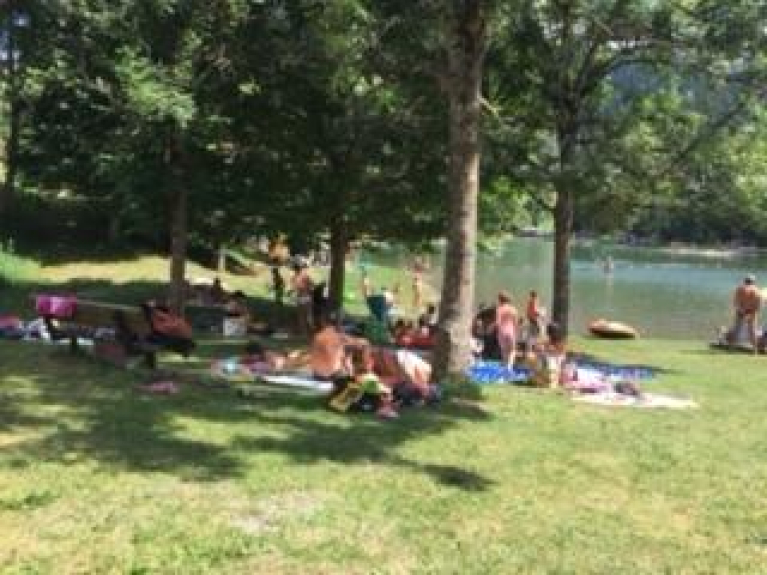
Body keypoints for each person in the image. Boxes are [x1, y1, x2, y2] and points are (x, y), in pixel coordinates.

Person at [310, 312, 367, 381]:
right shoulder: (340, 337)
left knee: (344, 353)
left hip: (316, 375)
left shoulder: (318, 335)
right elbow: (361, 343)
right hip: (332, 375)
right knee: (348, 356)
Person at [732, 274, 762, 352]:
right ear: (754, 282)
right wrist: (752, 313)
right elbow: (758, 305)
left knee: (737, 328)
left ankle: (732, 346)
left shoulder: (739, 289)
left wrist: (741, 309)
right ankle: (755, 349)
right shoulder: (757, 291)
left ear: (745, 281)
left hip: (741, 310)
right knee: (752, 330)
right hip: (751, 311)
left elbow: (735, 302)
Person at [494, 291, 519, 368]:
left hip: (502, 332)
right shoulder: (513, 309)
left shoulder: (499, 309)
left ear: (500, 300)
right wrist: (516, 333)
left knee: (504, 351)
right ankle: (509, 367)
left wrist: (492, 329)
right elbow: (516, 323)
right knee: (512, 350)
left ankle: (505, 367)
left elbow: (497, 322)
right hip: (511, 331)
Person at [290, 262, 315, 336]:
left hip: (303, 298)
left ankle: (306, 333)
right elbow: (312, 286)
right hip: (304, 298)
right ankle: (308, 333)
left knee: (304, 317)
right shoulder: (303, 277)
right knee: (306, 317)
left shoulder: (297, 277)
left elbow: (311, 286)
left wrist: (305, 289)